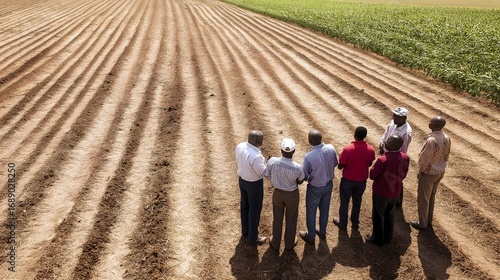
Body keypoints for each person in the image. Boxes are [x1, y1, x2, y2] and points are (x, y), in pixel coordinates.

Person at [409, 116, 451, 230]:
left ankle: (422, 223)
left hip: (429, 173)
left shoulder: (431, 140)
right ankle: (428, 221)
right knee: (431, 196)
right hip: (440, 171)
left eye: (431, 122)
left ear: (434, 125)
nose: (429, 123)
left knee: (424, 199)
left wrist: (422, 171)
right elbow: (447, 155)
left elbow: (424, 159)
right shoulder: (446, 137)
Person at [367, 135, 410, 245]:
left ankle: (377, 238)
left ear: (392, 145)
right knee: (390, 214)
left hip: (381, 192)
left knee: (378, 215)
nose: (384, 143)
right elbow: (404, 174)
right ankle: (388, 237)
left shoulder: (383, 160)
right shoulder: (405, 157)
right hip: (396, 191)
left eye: (387, 142)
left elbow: (372, 175)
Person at [299, 130, 338, 244]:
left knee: (311, 211)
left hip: (315, 187)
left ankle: (310, 236)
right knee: (325, 209)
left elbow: (304, 175)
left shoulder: (309, 157)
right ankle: (322, 231)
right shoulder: (331, 148)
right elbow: (335, 163)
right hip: (328, 184)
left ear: (310, 141)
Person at [333, 127, 376, 230]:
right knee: (357, 201)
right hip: (361, 181)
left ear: (355, 135)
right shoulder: (370, 149)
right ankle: (355, 222)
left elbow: (340, 166)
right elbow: (370, 163)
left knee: (344, 202)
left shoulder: (348, 149)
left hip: (348, 180)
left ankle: (343, 223)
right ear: (365, 136)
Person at [265, 138, 305, 251]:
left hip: (277, 193)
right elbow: (301, 180)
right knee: (291, 219)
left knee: (277, 218)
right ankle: (289, 243)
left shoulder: (273, 161)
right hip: (292, 195)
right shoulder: (297, 167)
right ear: (294, 151)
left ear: (281, 151)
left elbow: (267, 175)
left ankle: (275, 242)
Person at [235, 130, 267, 245]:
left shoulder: (240, 146)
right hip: (254, 184)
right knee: (254, 210)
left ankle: (245, 230)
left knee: (245, 206)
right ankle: (253, 237)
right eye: (262, 140)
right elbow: (263, 173)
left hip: (242, 180)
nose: (263, 141)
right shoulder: (256, 156)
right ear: (257, 141)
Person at [379, 107, 412, 208]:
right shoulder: (393, 122)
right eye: (394, 115)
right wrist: (382, 144)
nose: (394, 117)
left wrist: (392, 157)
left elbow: (403, 150)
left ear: (404, 118)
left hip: (395, 157)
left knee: (396, 179)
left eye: (397, 116)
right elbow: (386, 133)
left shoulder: (406, 133)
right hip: (386, 152)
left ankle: (397, 202)